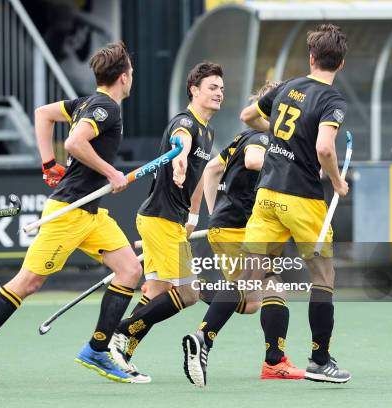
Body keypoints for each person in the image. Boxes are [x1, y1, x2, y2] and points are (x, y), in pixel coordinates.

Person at [0, 41, 143, 392]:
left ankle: (97, 349)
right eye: (131, 71)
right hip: (68, 213)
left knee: (130, 270)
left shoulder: (87, 102)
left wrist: (46, 164)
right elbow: (73, 143)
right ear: (124, 77)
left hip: (91, 214)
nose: (133, 77)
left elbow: (42, 113)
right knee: (27, 283)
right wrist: (111, 172)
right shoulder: (105, 107)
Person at [239, 24, 351, 383]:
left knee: (264, 273)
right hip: (302, 197)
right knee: (323, 276)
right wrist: (336, 180)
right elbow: (323, 148)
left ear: (311, 58)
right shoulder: (332, 100)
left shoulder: (288, 86)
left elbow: (247, 117)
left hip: (268, 193)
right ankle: (320, 359)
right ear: (341, 64)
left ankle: (268, 355)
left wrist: (281, 139)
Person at [182, 81, 306, 388]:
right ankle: (206, 339)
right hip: (240, 228)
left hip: (231, 226)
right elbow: (253, 161)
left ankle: (272, 360)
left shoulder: (242, 137)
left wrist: (215, 215)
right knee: (259, 285)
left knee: (254, 299)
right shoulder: (263, 138)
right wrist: (295, 167)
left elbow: (211, 170)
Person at [108, 62, 223, 382]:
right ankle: (117, 334)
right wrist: (181, 159)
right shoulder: (185, 122)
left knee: (158, 291)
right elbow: (180, 141)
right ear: (194, 90)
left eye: (222, 89)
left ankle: (123, 351)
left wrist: (193, 216)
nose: (219, 93)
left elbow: (198, 181)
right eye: (212, 88)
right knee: (188, 294)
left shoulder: (209, 130)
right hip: (158, 219)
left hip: (171, 221)